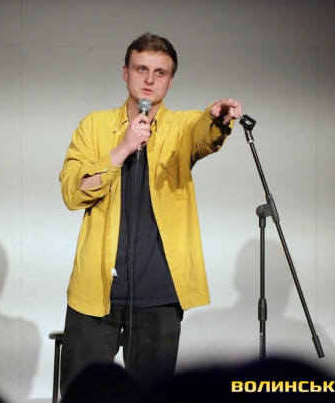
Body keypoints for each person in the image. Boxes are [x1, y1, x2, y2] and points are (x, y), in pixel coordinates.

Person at [59, 32, 242, 394]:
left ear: (170, 81)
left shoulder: (180, 126)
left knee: (154, 394)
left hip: (159, 294)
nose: (149, 79)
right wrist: (121, 149)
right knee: (83, 393)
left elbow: (203, 133)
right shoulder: (94, 126)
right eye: (141, 69)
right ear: (125, 72)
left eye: (160, 72)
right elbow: (72, 192)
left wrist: (217, 117)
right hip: (95, 289)